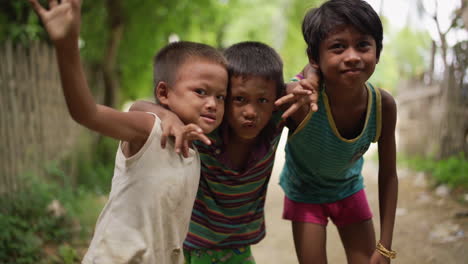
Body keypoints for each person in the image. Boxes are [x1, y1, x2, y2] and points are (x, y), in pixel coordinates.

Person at [28, 0, 229, 263]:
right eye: (201, 92)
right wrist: (67, 47)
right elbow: (86, 113)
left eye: (221, 96)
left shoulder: (193, 151)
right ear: (163, 93)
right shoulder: (150, 131)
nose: (212, 103)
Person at [131, 41, 319, 263]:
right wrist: (166, 116)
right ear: (223, 96)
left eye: (262, 100)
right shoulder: (205, 128)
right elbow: (137, 108)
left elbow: (312, 69)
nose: (251, 112)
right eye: (239, 99)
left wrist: (310, 81)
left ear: (274, 102)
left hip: (239, 247)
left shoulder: (275, 120)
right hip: (192, 247)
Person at [278, 0, 399, 263]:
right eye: (338, 47)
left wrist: (385, 245)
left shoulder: (383, 106)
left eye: (363, 45)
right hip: (304, 192)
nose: (353, 56)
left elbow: (389, 174)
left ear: (377, 52)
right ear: (314, 57)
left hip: (348, 190)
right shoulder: (301, 100)